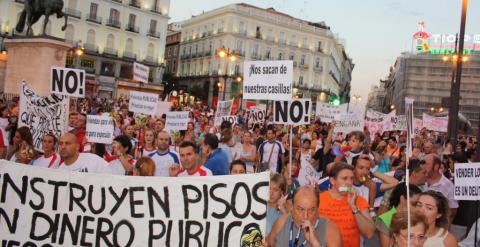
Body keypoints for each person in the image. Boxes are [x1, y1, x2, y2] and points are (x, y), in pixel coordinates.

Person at [318, 162, 375, 247]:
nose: (349, 183)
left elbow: (369, 233)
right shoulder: (318, 199)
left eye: (351, 178)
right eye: (344, 179)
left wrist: (353, 207)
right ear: (332, 181)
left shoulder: (359, 201)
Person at [267, 186, 342, 247]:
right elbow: (267, 243)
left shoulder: (330, 230)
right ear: (291, 207)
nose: (305, 216)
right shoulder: (282, 222)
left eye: (311, 210)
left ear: (318, 209)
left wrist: (315, 243)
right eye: (301, 209)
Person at [377, 183, 423, 247]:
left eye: (419, 205)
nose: (417, 208)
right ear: (402, 199)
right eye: (414, 204)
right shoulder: (385, 218)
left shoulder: (417, 216)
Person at [423, 154, 458, 223]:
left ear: (436, 166)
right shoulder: (420, 180)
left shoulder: (447, 185)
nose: (423, 167)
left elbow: (452, 211)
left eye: (426, 164)